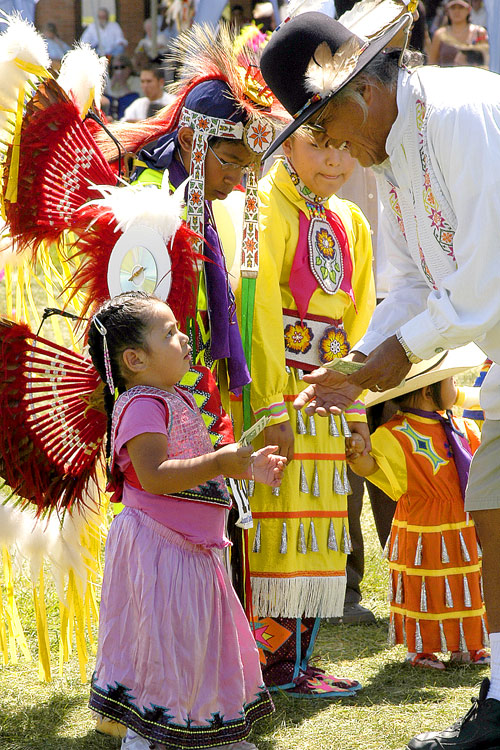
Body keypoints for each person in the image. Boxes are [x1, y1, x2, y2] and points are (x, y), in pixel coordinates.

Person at [259, 8, 500, 749]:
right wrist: (360, 360)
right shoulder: (394, 154)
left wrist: (392, 360)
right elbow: (406, 285)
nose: (339, 154)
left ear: (357, 94)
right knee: (490, 507)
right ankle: (499, 699)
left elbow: (484, 277)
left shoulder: (462, 117)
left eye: (331, 132)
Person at [87, 291, 286, 750]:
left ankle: (207, 725)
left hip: (195, 551)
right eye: (170, 333)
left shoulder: (175, 398)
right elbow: (155, 477)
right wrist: (219, 462)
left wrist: (247, 467)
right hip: (161, 549)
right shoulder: (141, 404)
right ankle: (147, 731)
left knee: (200, 643)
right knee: (163, 647)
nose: (184, 340)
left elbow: (194, 461)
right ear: (135, 359)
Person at [232, 124, 375, 694]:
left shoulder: (351, 222)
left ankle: (295, 663)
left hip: (329, 398)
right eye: (319, 142)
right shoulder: (262, 210)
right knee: (273, 525)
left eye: (344, 144)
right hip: (282, 392)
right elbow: (259, 310)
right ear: (286, 141)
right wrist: (272, 410)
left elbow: (362, 323)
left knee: (319, 527)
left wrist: (357, 413)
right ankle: (262, 664)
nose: (335, 159)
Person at [347, 346, 489, 670]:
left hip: (463, 523)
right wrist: (357, 456)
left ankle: (469, 643)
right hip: (424, 527)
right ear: (429, 390)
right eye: (451, 381)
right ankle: (422, 649)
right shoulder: (397, 433)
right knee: (426, 584)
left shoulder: (457, 424)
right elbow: (373, 466)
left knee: (466, 581)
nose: (456, 388)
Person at [428, 0, 488, 66]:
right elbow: (431, 63)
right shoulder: (439, 34)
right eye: (453, 8)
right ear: (447, 11)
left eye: (461, 7)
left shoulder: (479, 32)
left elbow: (486, 61)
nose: (457, 11)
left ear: (468, 10)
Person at [103, 55, 139, 121]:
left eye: (122, 67)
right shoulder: (110, 82)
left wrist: (123, 84)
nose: (119, 71)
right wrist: (112, 84)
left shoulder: (137, 81)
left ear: (129, 68)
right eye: (116, 68)